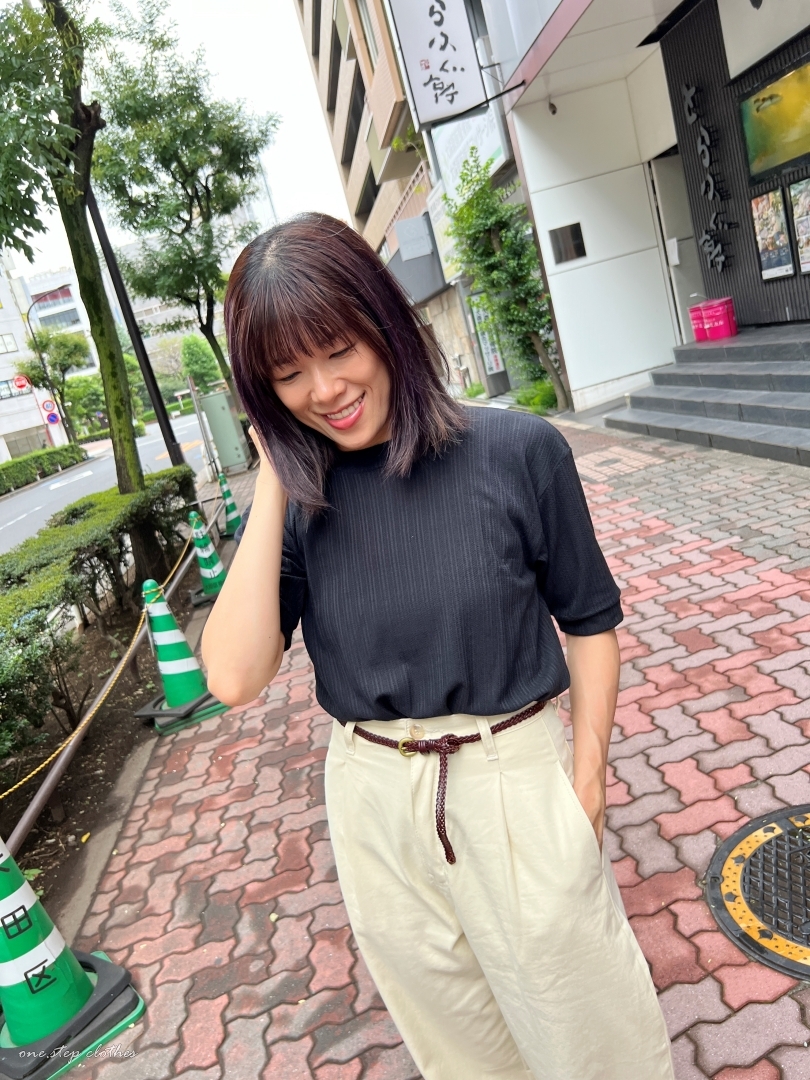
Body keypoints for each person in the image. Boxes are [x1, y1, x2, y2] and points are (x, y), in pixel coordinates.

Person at [201, 213, 674, 1080]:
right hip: (373, 796)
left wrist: (587, 777)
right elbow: (233, 676)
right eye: (287, 375)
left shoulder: (517, 450)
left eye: (338, 349)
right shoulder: (303, 508)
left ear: (384, 323)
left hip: (511, 775)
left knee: (591, 1037)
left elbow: (589, 620)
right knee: (461, 1050)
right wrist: (273, 474)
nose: (324, 390)